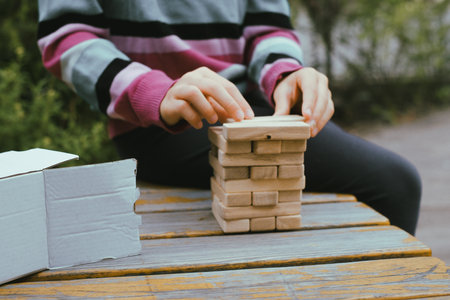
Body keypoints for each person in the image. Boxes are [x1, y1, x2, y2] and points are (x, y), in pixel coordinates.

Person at [37, 0, 421, 235]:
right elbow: (66, 35)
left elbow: (267, 25)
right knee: (392, 184)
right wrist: (154, 91)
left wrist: (284, 72)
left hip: (254, 108)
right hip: (159, 125)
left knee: (393, 183)